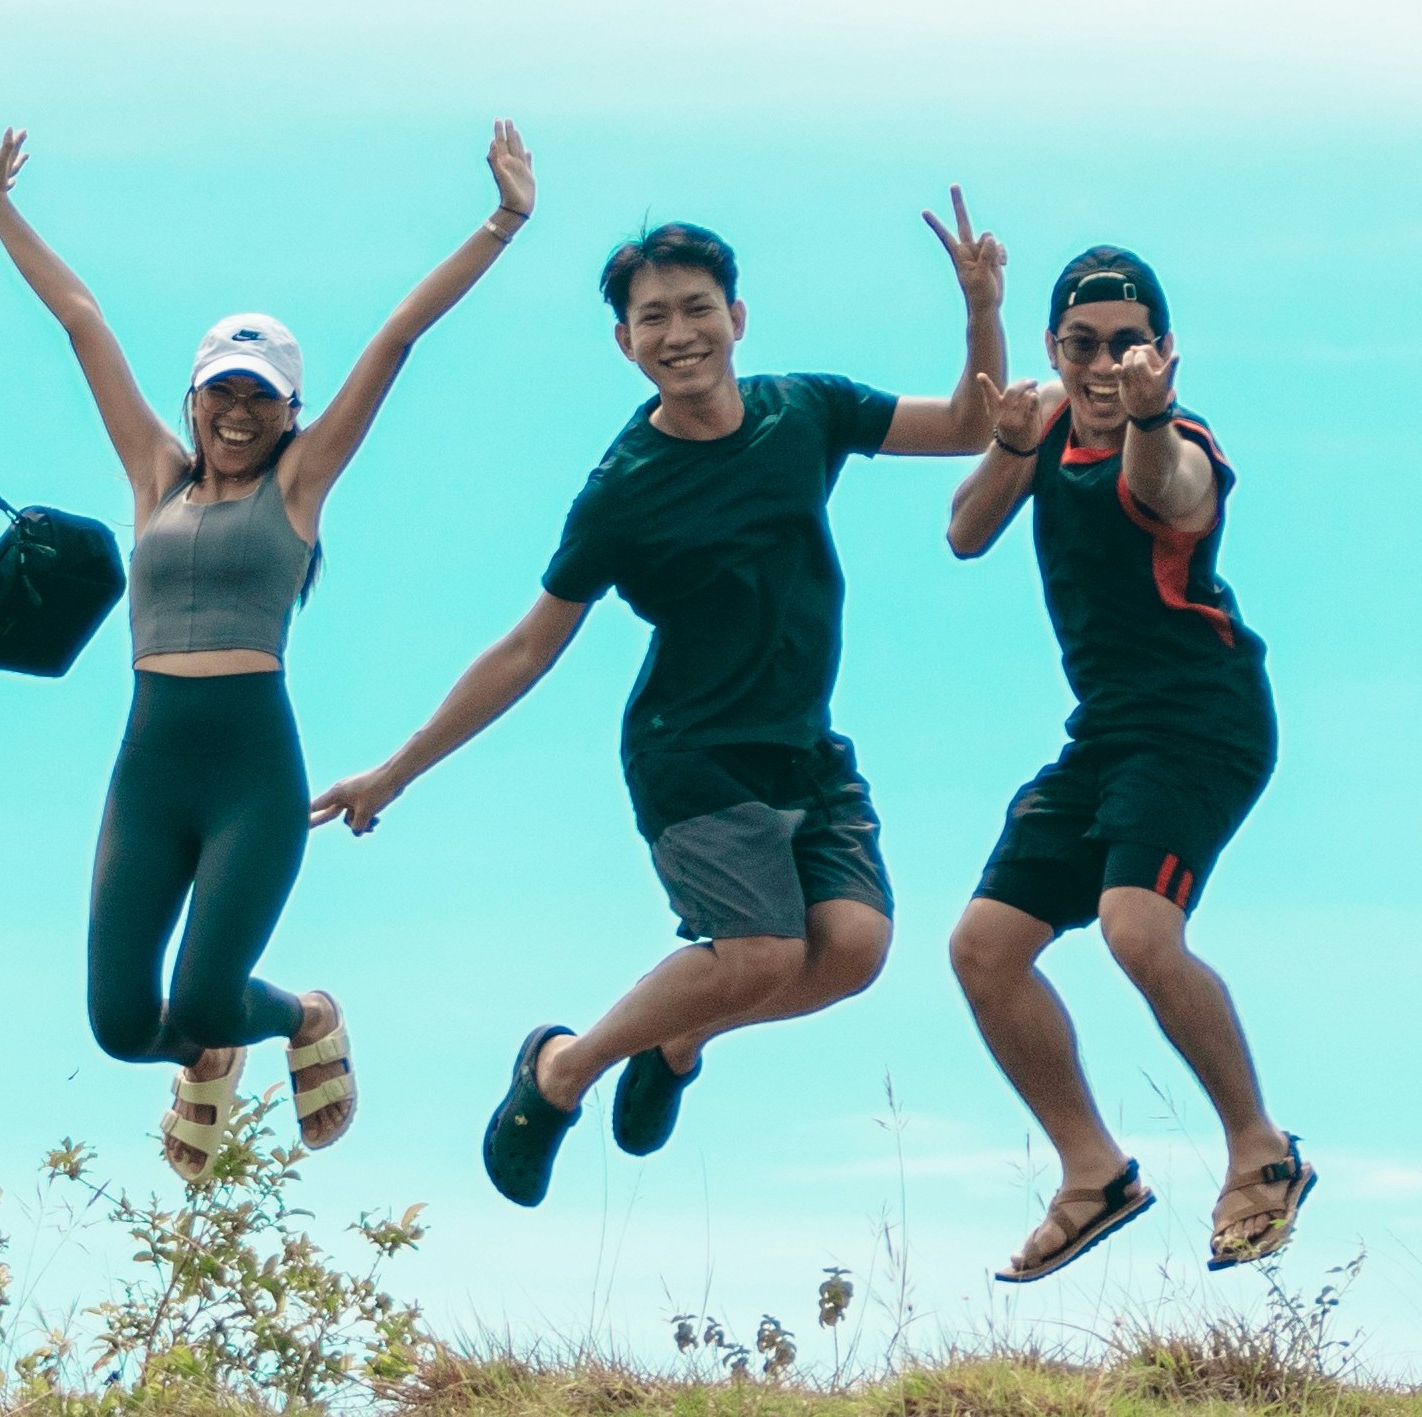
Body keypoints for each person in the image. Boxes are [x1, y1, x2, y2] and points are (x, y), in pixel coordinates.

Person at [309, 194, 1008, 1206]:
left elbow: (963, 428)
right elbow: (525, 648)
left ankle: (678, 1033)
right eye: (653, 319)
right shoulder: (623, 489)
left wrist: (980, 309)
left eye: (695, 308)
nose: (678, 333)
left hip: (801, 744)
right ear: (623, 342)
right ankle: (559, 1072)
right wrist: (397, 769)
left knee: (850, 952)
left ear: (736, 316)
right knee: (761, 950)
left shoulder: (803, 409)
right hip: (688, 754)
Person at [0, 122, 537, 1180]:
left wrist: (501, 222)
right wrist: (1, 213)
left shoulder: (299, 484)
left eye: (259, 396)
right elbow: (80, 317)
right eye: (220, 393)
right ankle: (210, 1055)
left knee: (198, 995)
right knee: (116, 1021)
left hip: (250, 770)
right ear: (192, 400)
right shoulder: (155, 477)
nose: (237, 413)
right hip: (148, 769)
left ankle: (300, 1015)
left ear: (290, 411)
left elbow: (397, 338)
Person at [941, 246, 1310, 1281]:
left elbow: (1174, 496)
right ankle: (1091, 1172)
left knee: (1134, 926)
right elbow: (965, 534)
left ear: (1160, 350)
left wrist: (1148, 417)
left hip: (1204, 718)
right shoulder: (1044, 424)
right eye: (1082, 345)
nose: (1104, 364)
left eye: (1127, 344)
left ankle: (1260, 1154)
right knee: (982, 946)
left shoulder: (1175, 436)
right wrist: (1008, 446)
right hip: (1104, 731)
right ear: (1054, 350)